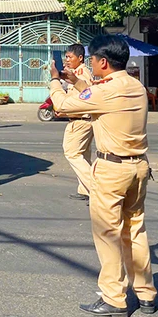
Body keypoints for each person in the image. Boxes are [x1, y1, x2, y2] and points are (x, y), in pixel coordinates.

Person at [49, 34, 157, 317]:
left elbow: (61, 106)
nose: (91, 64)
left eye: (93, 59)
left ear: (104, 62)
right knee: (135, 230)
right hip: (139, 167)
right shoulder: (135, 86)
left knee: (108, 234)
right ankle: (145, 293)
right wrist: (77, 82)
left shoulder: (105, 91)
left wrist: (55, 81)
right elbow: (96, 93)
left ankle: (114, 298)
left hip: (112, 170)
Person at [62, 44, 94, 203]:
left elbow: (85, 95)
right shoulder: (75, 73)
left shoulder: (81, 73)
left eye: (70, 57)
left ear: (80, 58)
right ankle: (84, 190)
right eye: (66, 57)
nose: (67, 60)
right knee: (83, 155)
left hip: (81, 120)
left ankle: (95, 190)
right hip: (82, 119)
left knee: (72, 153)